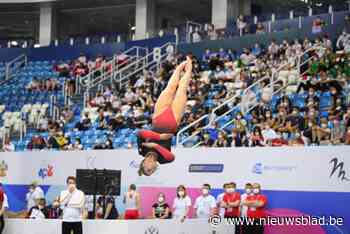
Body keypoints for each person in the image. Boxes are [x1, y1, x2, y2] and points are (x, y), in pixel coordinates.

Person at [137, 57, 193, 176]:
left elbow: (140, 133)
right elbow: (172, 156)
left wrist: (160, 137)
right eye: (151, 171)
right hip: (173, 121)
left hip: (158, 117)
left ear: (143, 164)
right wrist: (156, 144)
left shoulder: (141, 151)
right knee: (182, 90)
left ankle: (178, 67)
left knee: (170, 88)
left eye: (147, 170)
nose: (151, 168)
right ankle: (189, 68)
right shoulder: (163, 160)